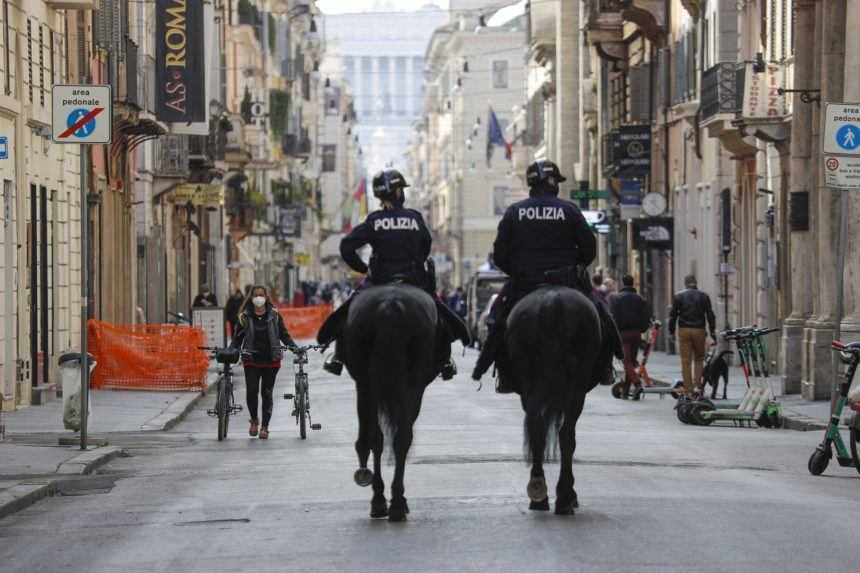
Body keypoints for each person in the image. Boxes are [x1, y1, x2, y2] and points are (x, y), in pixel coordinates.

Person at [471, 160, 623, 392]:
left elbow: (500, 254)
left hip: (525, 282)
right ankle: (607, 365)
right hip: (567, 280)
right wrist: (578, 266)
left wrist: (517, 273)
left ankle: (497, 371)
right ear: (552, 183)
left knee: (497, 320)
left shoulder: (515, 212)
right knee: (602, 314)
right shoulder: (570, 210)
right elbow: (589, 248)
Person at [317, 168, 469, 379]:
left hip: (378, 280)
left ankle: (339, 357)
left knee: (349, 312)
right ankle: (445, 359)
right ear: (399, 193)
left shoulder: (375, 220)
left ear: (379, 195)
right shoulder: (415, 218)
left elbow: (346, 248)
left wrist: (362, 268)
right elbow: (426, 245)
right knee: (438, 313)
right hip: (413, 279)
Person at [230, 285, 299, 439]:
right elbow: (237, 338)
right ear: (251, 297)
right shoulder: (245, 316)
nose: (259, 298)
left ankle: (265, 427)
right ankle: (254, 420)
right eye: (256, 295)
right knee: (252, 392)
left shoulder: (274, 315)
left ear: (266, 297)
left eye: (261, 295)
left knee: (267, 394)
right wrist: (231, 350)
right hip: (251, 359)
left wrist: (295, 348)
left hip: (270, 360)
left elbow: (284, 335)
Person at [668, 274, 717, 397]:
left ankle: (688, 390)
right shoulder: (704, 296)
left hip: (684, 330)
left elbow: (673, 315)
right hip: (699, 330)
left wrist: (671, 331)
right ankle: (697, 387)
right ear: (696, 283)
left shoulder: (679, 296)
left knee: (686, 361)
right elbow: (710, 315)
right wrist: (712, 331)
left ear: (685, 283)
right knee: (699, 358)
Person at [608, 275, 652, 398]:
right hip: (636, 334)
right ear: (633, 284)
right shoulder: (641, 299)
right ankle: (626, 391)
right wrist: (641, 330)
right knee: (631, 363)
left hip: (623, 334)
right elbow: (646, 318)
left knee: (626, 362)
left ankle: (637, 384)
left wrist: (614, 332)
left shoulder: (616, 299)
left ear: (622, 283)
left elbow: (613, 318)